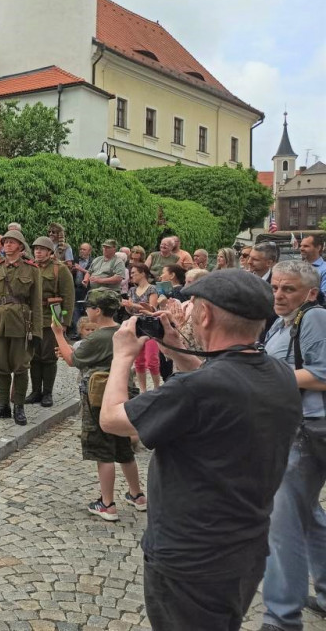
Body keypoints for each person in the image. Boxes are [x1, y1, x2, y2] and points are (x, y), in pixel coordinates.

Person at [99, 270, 302, 631]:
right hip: (244, 547)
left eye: (192, 306)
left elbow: (112, 419)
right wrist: (176, 350)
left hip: (189, 558)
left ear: (206, 315)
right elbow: (218, 383)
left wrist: (122, 356)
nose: (189, 313)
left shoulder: (198, 389)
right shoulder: (279, 373)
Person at [262, 260, 326, 631]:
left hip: (307, 432)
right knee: (310, 515)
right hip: (296, 428)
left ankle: (282, 618)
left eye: (288, 289)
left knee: (282, 523)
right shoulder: (281, 323)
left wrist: (267, 376)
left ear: (311, 293)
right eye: (275, 288)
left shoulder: (314, 317)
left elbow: (322, 374)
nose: (279, 295)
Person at [53, 289, 146, 521]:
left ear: (97, 310)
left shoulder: (97, 337)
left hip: (99, 395)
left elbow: (72, 360)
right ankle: (137, 495)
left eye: (89, 306)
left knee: (103, 449)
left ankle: (107, 504)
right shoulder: (122, 331)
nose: (86, 310)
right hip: (125, 391)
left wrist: (58, 335)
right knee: (124, 447)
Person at [0, 230, 42, 425]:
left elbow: (37, 303)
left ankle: (19, 406)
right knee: (0, 365)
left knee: (20, 366)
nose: (7, 245)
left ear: (20, 246)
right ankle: (3, 406)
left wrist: (37, 331)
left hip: (20, 323)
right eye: (6, 241)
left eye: (12, 242)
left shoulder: (31, 269)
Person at [27, 235, 74, 408]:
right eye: (36, 249)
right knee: (33, 356)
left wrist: (64, 322)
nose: (38, 252)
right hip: (32, 317)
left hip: (51, 316)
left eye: (42, 249)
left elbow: (68, 297)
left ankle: (47, 393)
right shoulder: (30, 267)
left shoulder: (59, 269)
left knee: (48, 357)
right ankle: (35, 391)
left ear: (49, 252)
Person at [123, 263, 161, 393]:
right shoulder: (132, 290)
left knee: (152, 360)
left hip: (150, 326)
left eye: (134, 273)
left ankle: (157, 388)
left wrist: (134, 305)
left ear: (143, 273)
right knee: (139, 361)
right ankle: (143, 391)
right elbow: (130, 311)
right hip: (136, 324)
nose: (131, 275)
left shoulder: (152, 289)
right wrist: (128, 306)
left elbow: (152, 309)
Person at [70, 242, 93, 338]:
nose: (81, 251)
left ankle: (87, 332)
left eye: (84, 249)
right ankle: (77, 332)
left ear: (89, 251)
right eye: (81, 249)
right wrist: (72, 270)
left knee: (86, 310)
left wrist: (80, 269)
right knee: (75, 309)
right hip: (75, 288)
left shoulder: (93, 262)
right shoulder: (75, 259)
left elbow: (93, 273)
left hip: (87, 289)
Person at [299, 234, 326, 304]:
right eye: (301, 245)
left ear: (318, 248)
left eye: (306, 246)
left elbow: (324, 298)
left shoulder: (324, 269)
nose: (301, 248)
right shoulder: (297, 267)